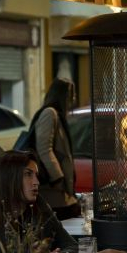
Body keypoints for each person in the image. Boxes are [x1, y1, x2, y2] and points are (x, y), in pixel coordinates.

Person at [33, 78, 78, 219]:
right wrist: (58, 178)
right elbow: (44, 148)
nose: (73, 99)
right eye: (71, 94)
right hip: (53, 190)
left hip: (59, 191)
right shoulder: (50, 113)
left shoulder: (57, 115)